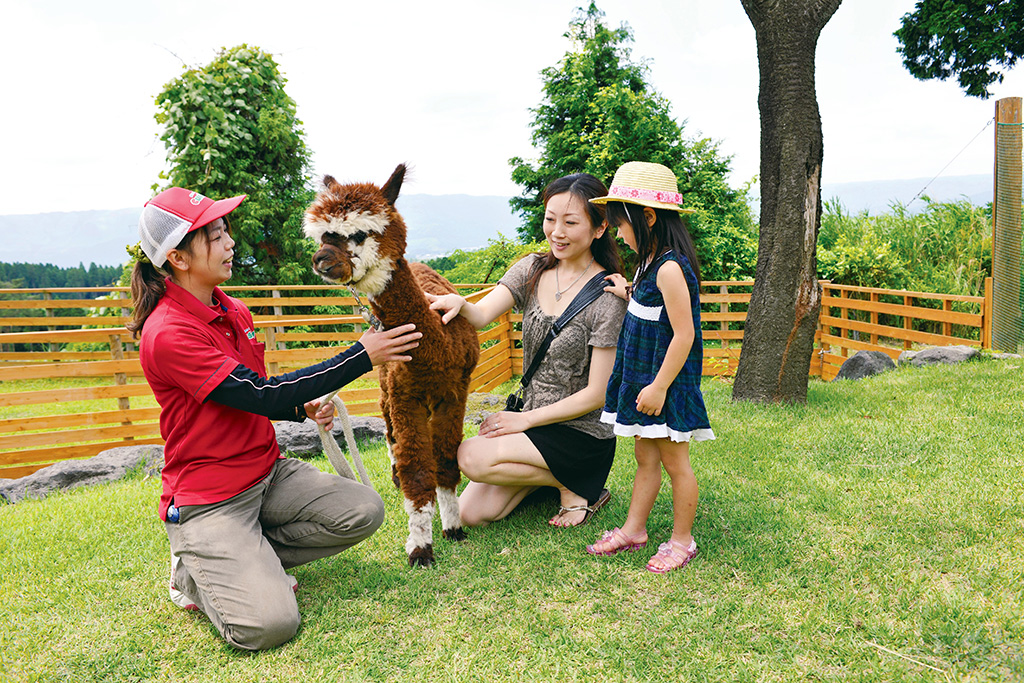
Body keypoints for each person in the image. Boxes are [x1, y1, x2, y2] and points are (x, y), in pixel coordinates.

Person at [130, 187, 421, 650]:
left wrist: (299, 406)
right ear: (179, 258)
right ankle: (193, 574)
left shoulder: (231, 309)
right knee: (269, 626)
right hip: (211, 498)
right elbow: (260, 394)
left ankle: (247, 559)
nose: (229, 245)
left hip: (267, 473)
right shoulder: (168, 332)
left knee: (363, 510)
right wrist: (361, 356)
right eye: (216, 236)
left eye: (226, 232)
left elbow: (251, 391)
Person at [427, 173, 627, 528]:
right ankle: (557, 479)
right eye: (550, 219)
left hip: (579, 432)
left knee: (471, 455)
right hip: (532, 420)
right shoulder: (532, 268)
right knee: (472, 514)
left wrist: (524, 420)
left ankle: (578, 482)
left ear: (599, 229)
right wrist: (459, 302)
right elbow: (483, 314)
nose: (557, 232)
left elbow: (598, 393)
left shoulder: (608, 297)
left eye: (570, 222)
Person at [584, 161, 715, 574]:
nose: (619, 233)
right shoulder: (648, 263)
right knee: (644, 457)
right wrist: (626, 292)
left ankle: (682, 540)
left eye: (622, 224)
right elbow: (649, 307)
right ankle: (634, 530)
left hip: (664, 385)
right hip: (644, 381)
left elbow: (684, 335)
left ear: (650, 218)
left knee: (677, 464)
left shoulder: (672, 268)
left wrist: (659, 387)